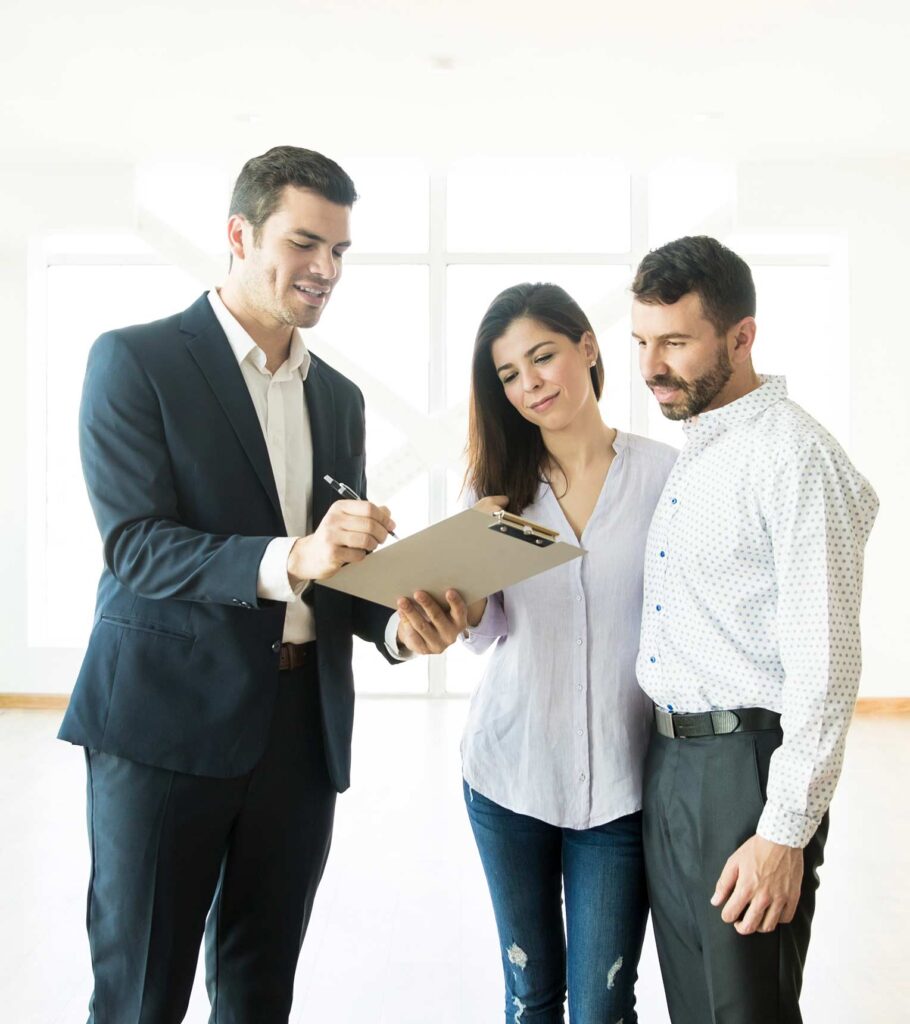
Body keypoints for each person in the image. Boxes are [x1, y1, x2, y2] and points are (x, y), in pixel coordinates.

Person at [58, 145, 465, 1024]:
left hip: (297, 736)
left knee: (259, 987)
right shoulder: (135, 362)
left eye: (341, 251)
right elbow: (137, 546)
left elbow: (338, 569)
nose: (325, 269)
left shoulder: (341, 399)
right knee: (140, 991)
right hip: (163, 727)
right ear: (240, 235)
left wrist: (402, 626)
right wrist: (292, 558)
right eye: (305, 242)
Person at [631, 235, 879, 1024]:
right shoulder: (698, 453)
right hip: (670, 762)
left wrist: (783, 833)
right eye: (641, 341)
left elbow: (827, 664)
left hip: (747, 770)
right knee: (695, 1011)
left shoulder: (796, 457)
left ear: (742, 338)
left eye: (675, 341)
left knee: (747, 1012)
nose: (650, 366)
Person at [441, 282, 677, 1024]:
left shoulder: (666, 477)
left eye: (542, 357)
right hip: (509, 773)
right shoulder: (495, 492)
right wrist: (466, 591)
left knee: (604, 1005)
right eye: (509, 374)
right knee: (530, 996)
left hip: (621, 784)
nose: (530, 383)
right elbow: (484, 636)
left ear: (588, 347)